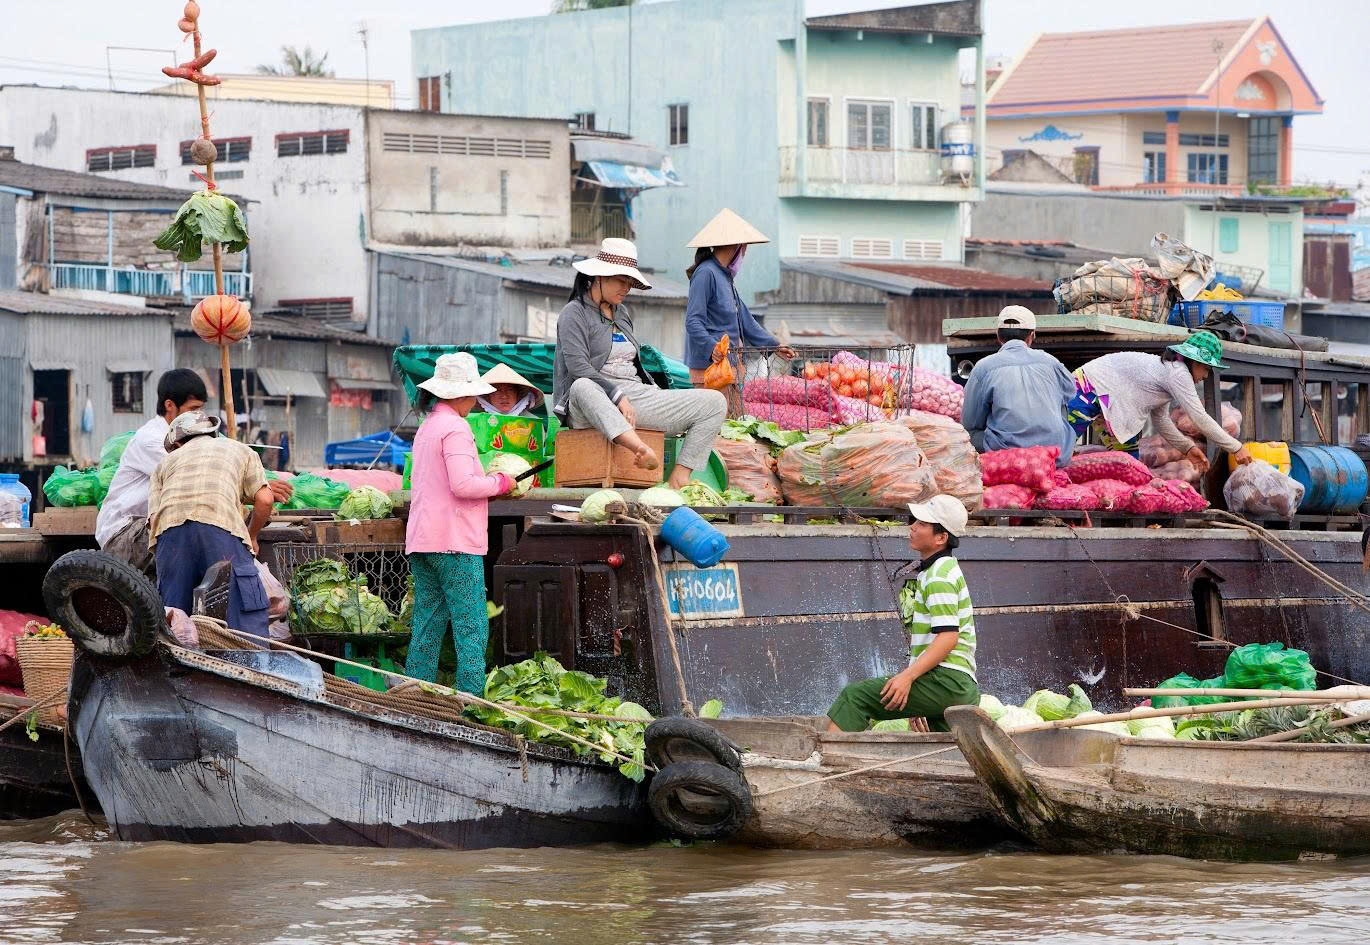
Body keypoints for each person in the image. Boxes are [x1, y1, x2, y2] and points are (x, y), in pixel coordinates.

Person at [553, 237, 727, 489]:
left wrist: (635, 395)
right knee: (581, 385)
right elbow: (578, 367)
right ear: (600, 277)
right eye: (621, 281)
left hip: (635, 399)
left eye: (630, 283)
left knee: (714, 402)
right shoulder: (573, 313)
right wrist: (617, 395)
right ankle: (640, 449)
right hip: (590, 402)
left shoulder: (622, 313)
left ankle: (679, 478)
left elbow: (634, 369)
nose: (626, 288)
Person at [96, 369, 290, 571]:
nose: (199, 416)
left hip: (158, 523)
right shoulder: (152, 440)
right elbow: (202, 477)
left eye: (201, 409)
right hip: (125, 533)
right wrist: (253, 491)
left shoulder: (190, 437)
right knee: (195, 527)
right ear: (169, 405)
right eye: (193, 408)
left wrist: (256, 488)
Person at [406, 353, 516, 691]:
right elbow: (463, 485)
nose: (474, 401)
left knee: (427, 621)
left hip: (423, 540)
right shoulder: (455, 427)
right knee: (471, 623)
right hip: (453, 541)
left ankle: (413, 692)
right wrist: (501, 483)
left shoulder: (427, 427)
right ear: (460, 394)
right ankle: (471, 698)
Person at [827, 495, 979, 733]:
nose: (913, 527)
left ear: (941, 538)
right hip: (951, 684)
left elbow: (948, 638)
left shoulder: (939, 576)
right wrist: (918, 692)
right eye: (915, 521)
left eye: (922, 524)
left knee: (855, 697)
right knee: (944, 757)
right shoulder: (939, 570)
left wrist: (907, 678)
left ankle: (827, 763)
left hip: (948, 681)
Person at [147, 411, 276, 638]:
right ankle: (251, 666)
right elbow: (265, 500)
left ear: (177, 443)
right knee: (242, 623)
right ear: (212, 432)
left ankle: (182, 670)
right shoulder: (241, 450)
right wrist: (252, 535)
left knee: (177, 624)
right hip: (221, 530)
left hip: (170, 536)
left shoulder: (164, 464)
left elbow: (153, 520)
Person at [1065, 331, 1254, 471]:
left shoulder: (1167, 374)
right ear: (1196, 362)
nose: (1205, 376)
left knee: (1129, 465)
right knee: (1060, 446)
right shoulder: (1179, 373)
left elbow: (1162, 421)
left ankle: (1118, 512)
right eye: (1207, 369)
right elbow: (1199, 417)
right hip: (1087, 388)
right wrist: (1235, 447)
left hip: (1108, 400)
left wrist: (1187, 448)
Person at [683, 208, 795, 390]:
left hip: (731, 366)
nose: (745, 253)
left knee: (733, 417)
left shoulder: (725, 278)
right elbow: (693, 321)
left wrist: (775, 346)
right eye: (745, 247)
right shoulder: (705, 273)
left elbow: (746, 321)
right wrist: (712, 347)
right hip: (711, 368)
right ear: (736, 247)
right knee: (719, 417)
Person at [961, 306, 1076, 465]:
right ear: (1032, 335)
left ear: (998, 336)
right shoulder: (1051, 362)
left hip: (1009, 456)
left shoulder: (983, 367)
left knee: (969, 433)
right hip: (1057, 455)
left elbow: (970, 422)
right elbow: (1070, 392)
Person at [475, 363, 546, 418]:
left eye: (510, 390)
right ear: (488, 396)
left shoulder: (533, 422)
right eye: (497, 390)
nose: (504, 396)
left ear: (517, 395)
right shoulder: (476, 422)